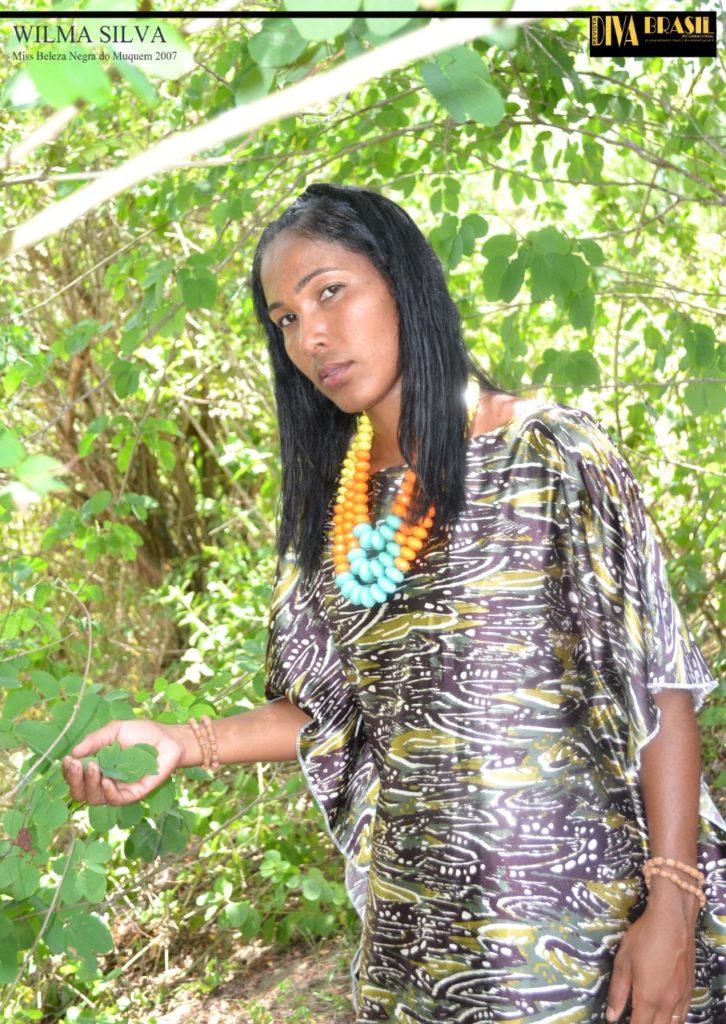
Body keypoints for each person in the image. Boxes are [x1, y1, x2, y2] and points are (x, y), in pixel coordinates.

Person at [62, 183, 725, 1024]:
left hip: (584, 947)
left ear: (403, 280)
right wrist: (180, 742)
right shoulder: (333, 514)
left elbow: (658, 682)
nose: (310, 337)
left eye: (329, 292)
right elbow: (333, 713)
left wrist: (672, 905)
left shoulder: (550, 453)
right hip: (415, 950)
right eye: (285, 318)